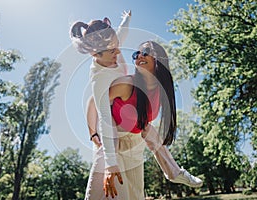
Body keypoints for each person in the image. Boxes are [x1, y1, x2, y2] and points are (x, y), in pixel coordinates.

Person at [70, 14, 202, 199]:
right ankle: (173, 172)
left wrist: (126, 20)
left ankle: (175, 172)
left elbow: (121, 34)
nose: (120, 53)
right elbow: (97, 106)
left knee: (146, 131)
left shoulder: (156, 90)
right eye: (137, 54)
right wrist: (94, 135)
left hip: (135, 140)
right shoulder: (113, 82)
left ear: (159, 62)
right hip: (112, 138)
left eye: (145, 53)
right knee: (98, 195)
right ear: (96, 54)